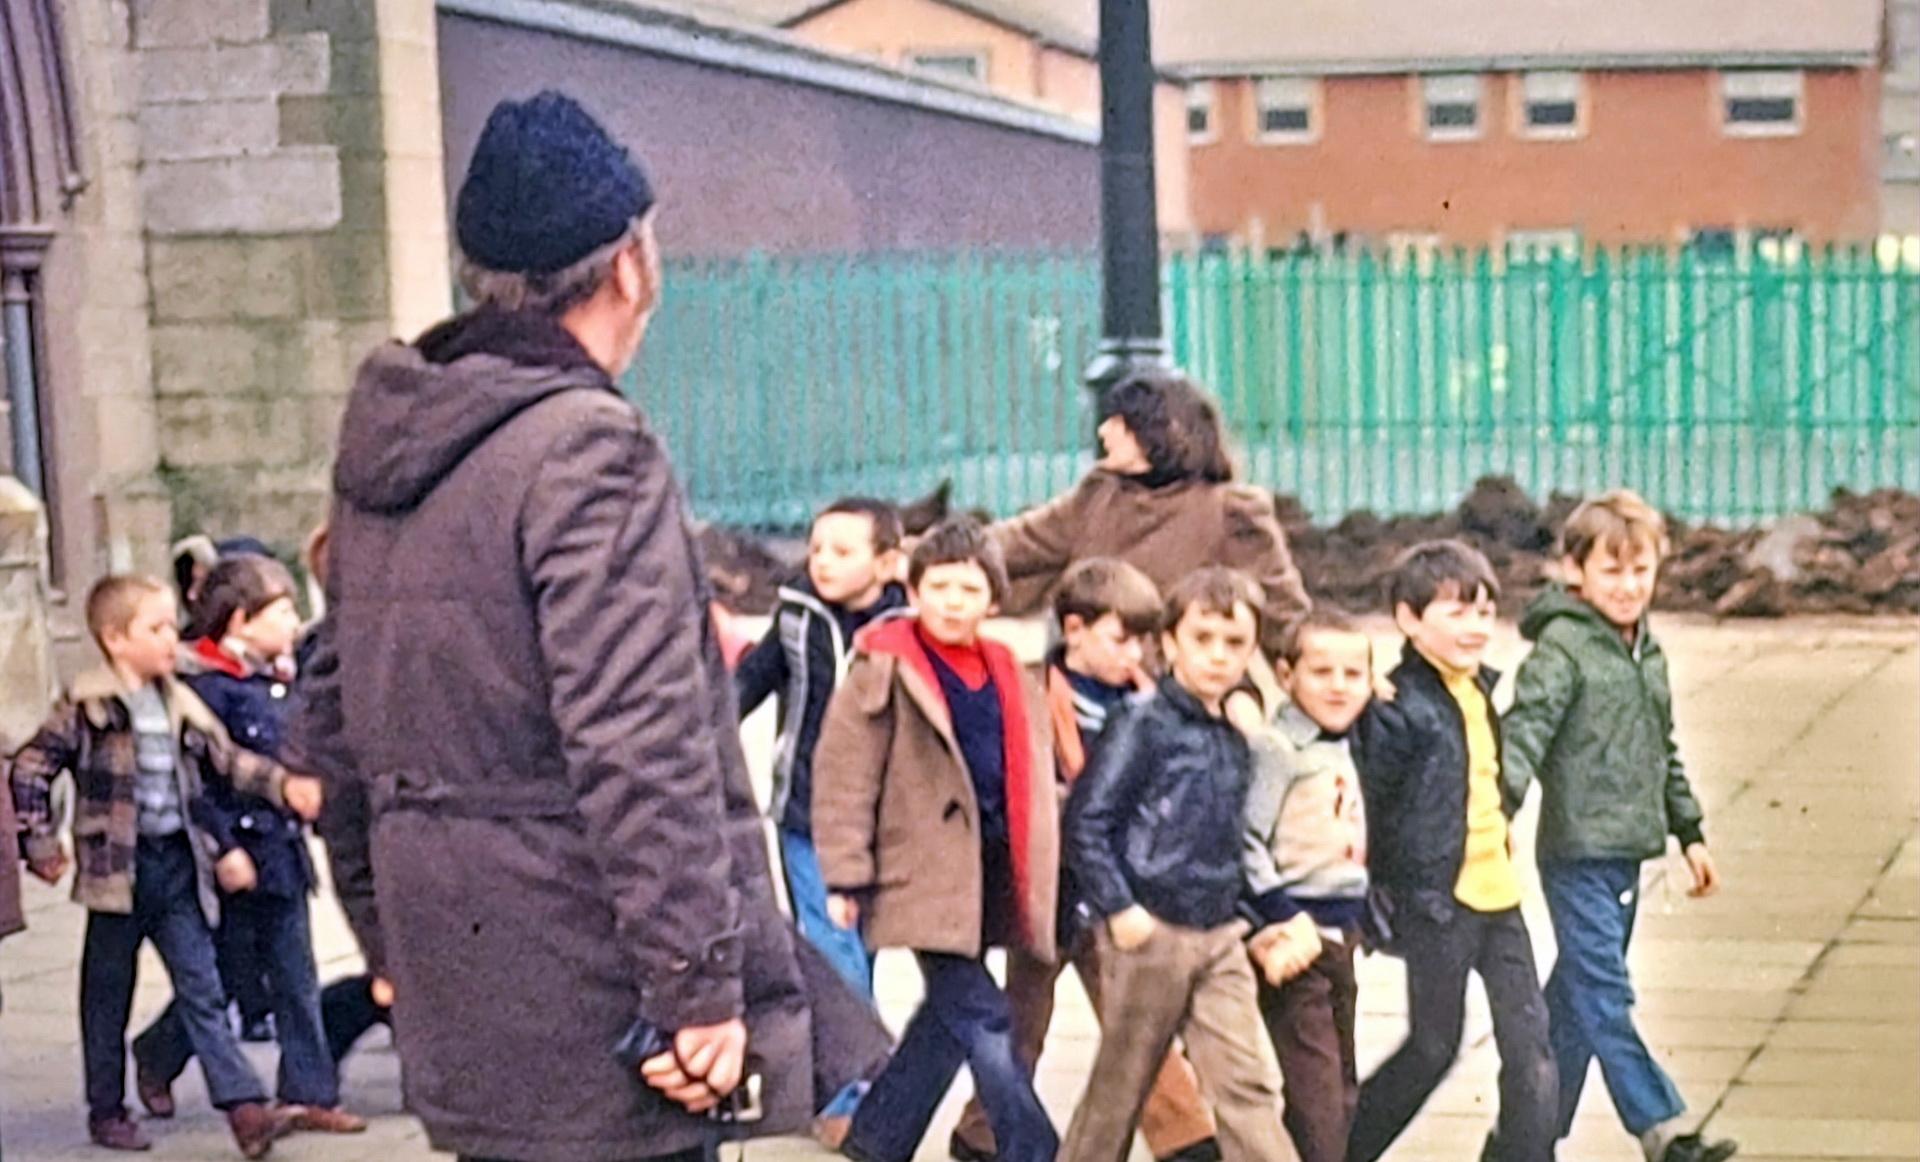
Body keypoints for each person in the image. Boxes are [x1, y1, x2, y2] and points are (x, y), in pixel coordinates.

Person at [281, 91, 817, 1162]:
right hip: (599, 1007)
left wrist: (387, 940)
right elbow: (641, 750)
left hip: (467, 993)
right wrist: (699, 987)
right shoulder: (587, 450)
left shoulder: (396, 440)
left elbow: (334, 726)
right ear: (628, 263)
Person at [9, 574, 323, 1157]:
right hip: (116, 875)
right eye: (155, 628)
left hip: (176, 865)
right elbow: (31, 768)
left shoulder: (178, 700)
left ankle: (244, 1109)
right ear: (115, 639)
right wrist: (42, 843)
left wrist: (283, 785)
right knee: (107, 994)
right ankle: (107, 1107)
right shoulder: (88, 704)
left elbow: (230, 763)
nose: (169, 638)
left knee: (203, 986)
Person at [952, 558, 1221, 1162]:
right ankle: (982, 1136)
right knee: (1024, 1022)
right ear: (1074, 631)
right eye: (1122, 638)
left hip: (1119, 893)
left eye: (1148, 641)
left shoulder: (1156, 707)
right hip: (1045, 891)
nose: (1138, 655)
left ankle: (1188, 1142)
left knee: (1140, 1022)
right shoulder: (1027, 695)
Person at [811, 516, 1059, 1162]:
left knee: (947, 1024)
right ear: (914, 591)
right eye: (940, 587)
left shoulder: (1006, 667)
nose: (953, 603)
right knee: (985, 1015)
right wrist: (845, 873)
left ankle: (877, 1139)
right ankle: (1033, 1146)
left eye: (969, 590)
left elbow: (1028, 770)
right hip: (918, 874)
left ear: (993, 599)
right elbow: (845, 775)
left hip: (989, 873)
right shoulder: (885, 665)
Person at [1501, 492, 1737, 1162]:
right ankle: (1663, 1132)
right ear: (1575, 571)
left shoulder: (1645, 653)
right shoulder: (1563, 650)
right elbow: (1523, 736)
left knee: (1575, 1006)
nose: (1629, 587)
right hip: (1576, 853)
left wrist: (1689, 831)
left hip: (1627, 854)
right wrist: (1495, 815)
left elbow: (1660, 747)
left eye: (1641, 572)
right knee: (1604, 991)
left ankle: (1524, 1138)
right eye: (1613, 572)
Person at [1060, 567, 1293, 1162]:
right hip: (1151, 930)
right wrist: (1119, 907)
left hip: (1218, 931)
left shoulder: (1236, 730)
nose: (1218, 657)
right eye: (1202, 639)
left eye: (1235, 643)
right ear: (1169, 643)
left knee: (1247, 1083)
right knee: (1121, 1089)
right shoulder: (1141, 722)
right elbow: (1087, 821)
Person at [131, 555, 367, 1135]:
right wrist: (220, 845)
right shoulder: (206, 688)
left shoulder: (274, 682)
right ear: (239, 620)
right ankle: (158, 1052)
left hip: (279, 852)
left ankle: (310, 1091)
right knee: (228, 974)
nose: (294, 622)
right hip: (235, 856)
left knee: (295, 974)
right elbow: (197, 779)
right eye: (281, 611)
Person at [1348, 542, 1557, 1162]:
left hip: (1500, 899)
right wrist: (1370, 898)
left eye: (1485, 614)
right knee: (1433, 1047)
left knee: (1533, 1052)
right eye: (1457, 613)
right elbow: (1370, 806)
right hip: (1436, 905)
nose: (1476, 629)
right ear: (1409, 621)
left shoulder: (1477, 691)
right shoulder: (1398, 709)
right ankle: (1341, 1150)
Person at [991, 370, 1310, 660]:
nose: (1104, 432)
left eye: (1117, 422)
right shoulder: (1097, 496)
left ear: (1155, 432)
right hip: (1082, 683)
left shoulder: (1230, 512)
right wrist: (951, 549)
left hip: (1176, 695)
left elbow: (1284, 614)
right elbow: (1016, 542)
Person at [736, 496, 911, 998]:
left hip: (881, 820)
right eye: (816, 549)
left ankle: (853, 1065)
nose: (824, 562)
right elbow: (752, 679)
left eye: (842, 551)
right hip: (806, 812)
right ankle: (860, 1074)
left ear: (886, 562)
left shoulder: (907, 627)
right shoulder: (797, 614)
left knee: (861, 948)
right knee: (834, 951)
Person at [1241, 606, 1375, 1162]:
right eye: (1322, 673)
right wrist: (1278, 914)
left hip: (1341, 936)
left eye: (1353, 674)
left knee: (1339, 1091)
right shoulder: (1277, 749)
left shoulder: (1343, 740)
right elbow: (1247, 840)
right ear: (1285, 674)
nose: (1339, 687)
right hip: (1295, 938)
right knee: (1318, 1095)